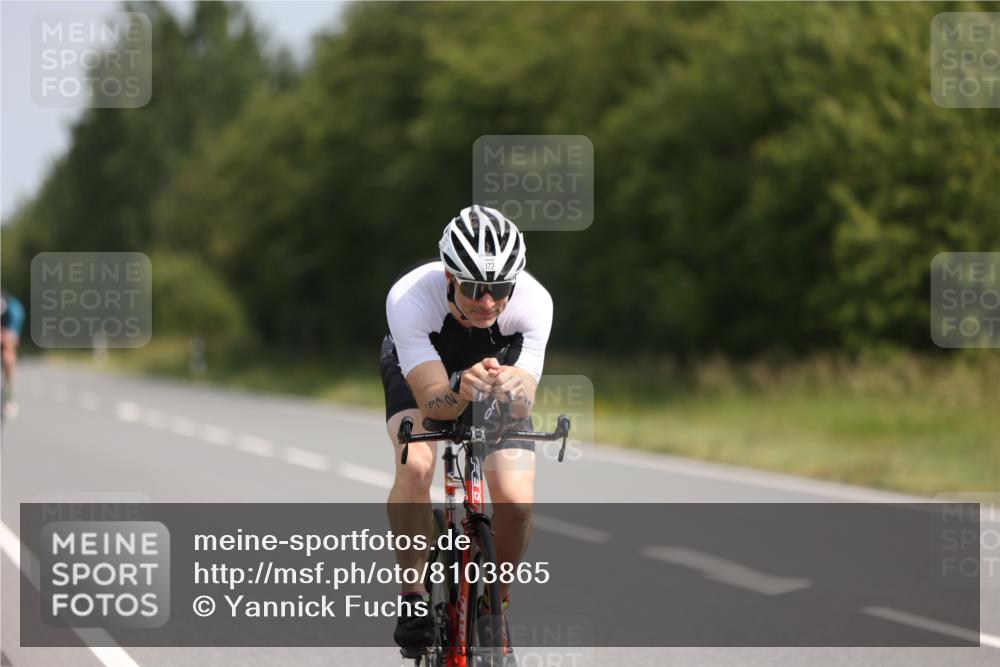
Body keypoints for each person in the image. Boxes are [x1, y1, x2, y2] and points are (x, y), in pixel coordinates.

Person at [381, 205, 552, 656]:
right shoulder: (410, 298)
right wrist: (459, 390)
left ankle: (495, 605)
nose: (488, 302)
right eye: (475, 288)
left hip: (493, 370)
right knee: (416, 464)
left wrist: (517, 389)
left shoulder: (535, 302)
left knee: (515, 501)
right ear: (449, 279)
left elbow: (527, 393)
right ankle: (414, 596)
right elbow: (432, 403)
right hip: (425, 374)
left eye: (500, 289)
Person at [1, 290, 26, 419]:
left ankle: (9, 397)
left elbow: (12, 338)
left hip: (8, 329)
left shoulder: (14, 309)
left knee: (8, 354)